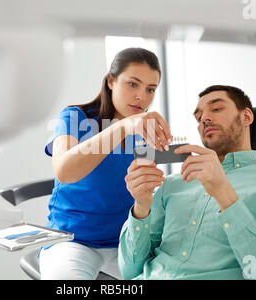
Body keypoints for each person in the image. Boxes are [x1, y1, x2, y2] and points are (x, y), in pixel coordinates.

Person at [119, 85, 256, 280]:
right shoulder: (172, 184)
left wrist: (223, 194)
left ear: (246, 117)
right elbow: (129, 271)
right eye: (198, 117)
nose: (204, 118)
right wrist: (142, 206)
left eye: (216, 108)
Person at [40, 47, 173, 279]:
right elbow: (64, 170)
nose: (142, 96)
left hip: (125, 242)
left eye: (150, 89)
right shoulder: (75, 117)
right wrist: (123, 126)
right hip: (71, 240)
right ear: (111, 81)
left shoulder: (144, 131)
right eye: (133, 84)